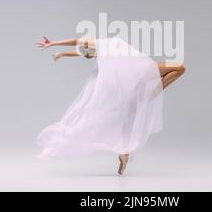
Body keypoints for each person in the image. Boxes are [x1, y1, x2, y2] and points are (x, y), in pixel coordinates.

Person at [36, 36, 185, 175]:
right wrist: (58, 47)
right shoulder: (98, 47)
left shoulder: (100, 50)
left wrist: (58, 49)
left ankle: (124, 152)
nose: (87, 42)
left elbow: (78, 46)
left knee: (129, 119)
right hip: (141, 72)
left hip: (135, 78)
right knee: (179, 68)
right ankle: (149, 96)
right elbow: (77, 43)